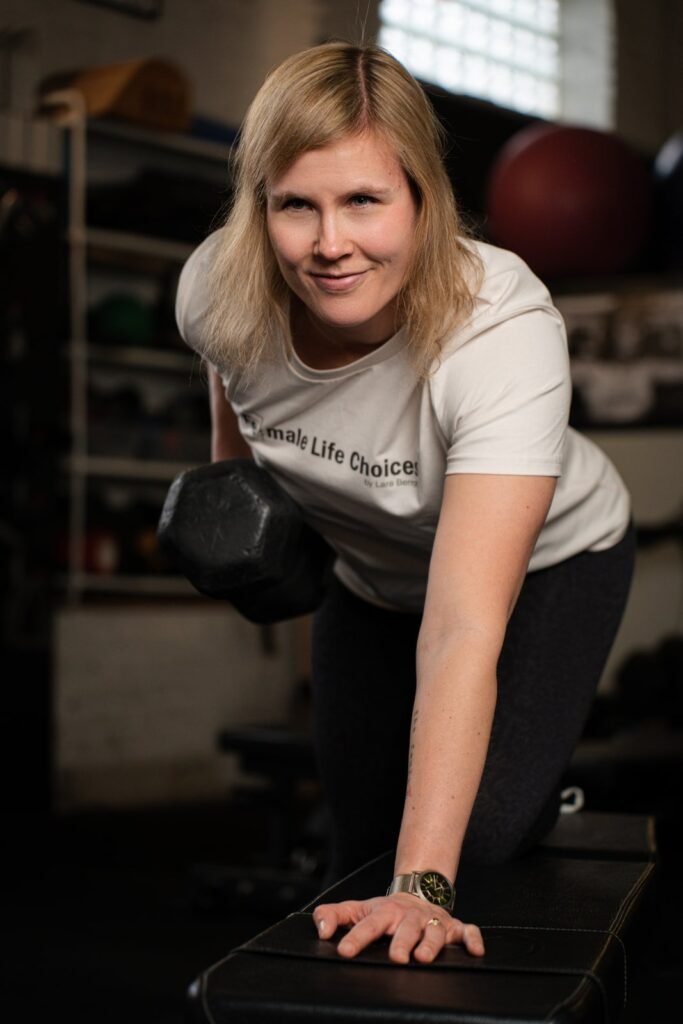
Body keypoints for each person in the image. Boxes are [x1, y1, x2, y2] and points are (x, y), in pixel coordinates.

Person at [175, 42, 634, 966]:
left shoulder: (498, 331)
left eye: (363, 201)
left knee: (467, 847)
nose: (329, 243)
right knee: (358, 846)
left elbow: (465, 622)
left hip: (547, 565)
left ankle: (538, 786)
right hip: (376, 576)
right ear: (258, 204)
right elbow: (233, 399)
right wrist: (241, 519)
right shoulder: (217, 291)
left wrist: (425, 885)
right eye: (294, 205)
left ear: (421, 196)